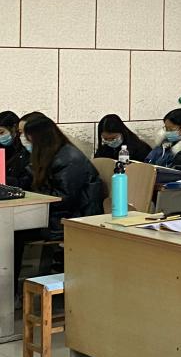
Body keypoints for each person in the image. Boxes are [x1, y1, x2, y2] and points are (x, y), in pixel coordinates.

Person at [16, 113, 106, 283]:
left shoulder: (68, 158)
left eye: (27, 137)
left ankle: (8, 289)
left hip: (71, 217)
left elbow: (64, 199)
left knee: (12, 232)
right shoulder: (46, 155)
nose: (23, 141)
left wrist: (32, 201)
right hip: (54, 214)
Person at [0, 110, 32, 188]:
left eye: (1, 132)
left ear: (14, 128)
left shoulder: (27, 147)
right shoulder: (3, 148)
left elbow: (26, 181)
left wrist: (4, 179)